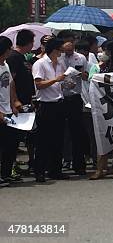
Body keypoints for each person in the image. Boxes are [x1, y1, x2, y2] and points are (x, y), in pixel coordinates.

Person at [90, 40, 113, 180]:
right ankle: (101, 168)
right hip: (105, 104)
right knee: (103, 136)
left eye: (106, 51)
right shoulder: (106, 65)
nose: (104, 53)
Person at [32, 37, 68, 182]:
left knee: (58, 139)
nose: (61, 53)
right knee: (43, 140)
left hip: (59, 103)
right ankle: (39, 171)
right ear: (55, 50)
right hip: (45, 105)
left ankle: (55, 170)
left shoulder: (60, 64)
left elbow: (61, 82)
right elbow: (39, 84)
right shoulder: (40, 64)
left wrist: (66, 83)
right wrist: (56, 80)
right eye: (60, 50)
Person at [57, 30, 90, 176]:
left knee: (77, 132)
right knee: (60, 132)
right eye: (66, 43)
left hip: (75, 97)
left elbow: (86, 76)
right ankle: (60, 162)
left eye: (72, 43)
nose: (69, 48)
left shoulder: (81, 58)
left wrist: (81, 74)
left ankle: (79, 164)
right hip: (60, 97)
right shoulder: (57, 58)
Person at [6, 29, 36, 176]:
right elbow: (11, 82)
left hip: (26, 102)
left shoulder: (23, 58)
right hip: (16, 105)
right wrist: (14, 101)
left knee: (21, 137)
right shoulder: (13, 58)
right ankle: (9, 166)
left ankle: (13, 164)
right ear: (29, 42)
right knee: (13, 138)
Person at [0, 37, 21, 186]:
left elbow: (11, 85)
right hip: (0, 112)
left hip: (9, 111)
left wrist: (14, 102)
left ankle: (6, 173)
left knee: (10, 145)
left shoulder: (5, 64)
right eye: (9, 48)